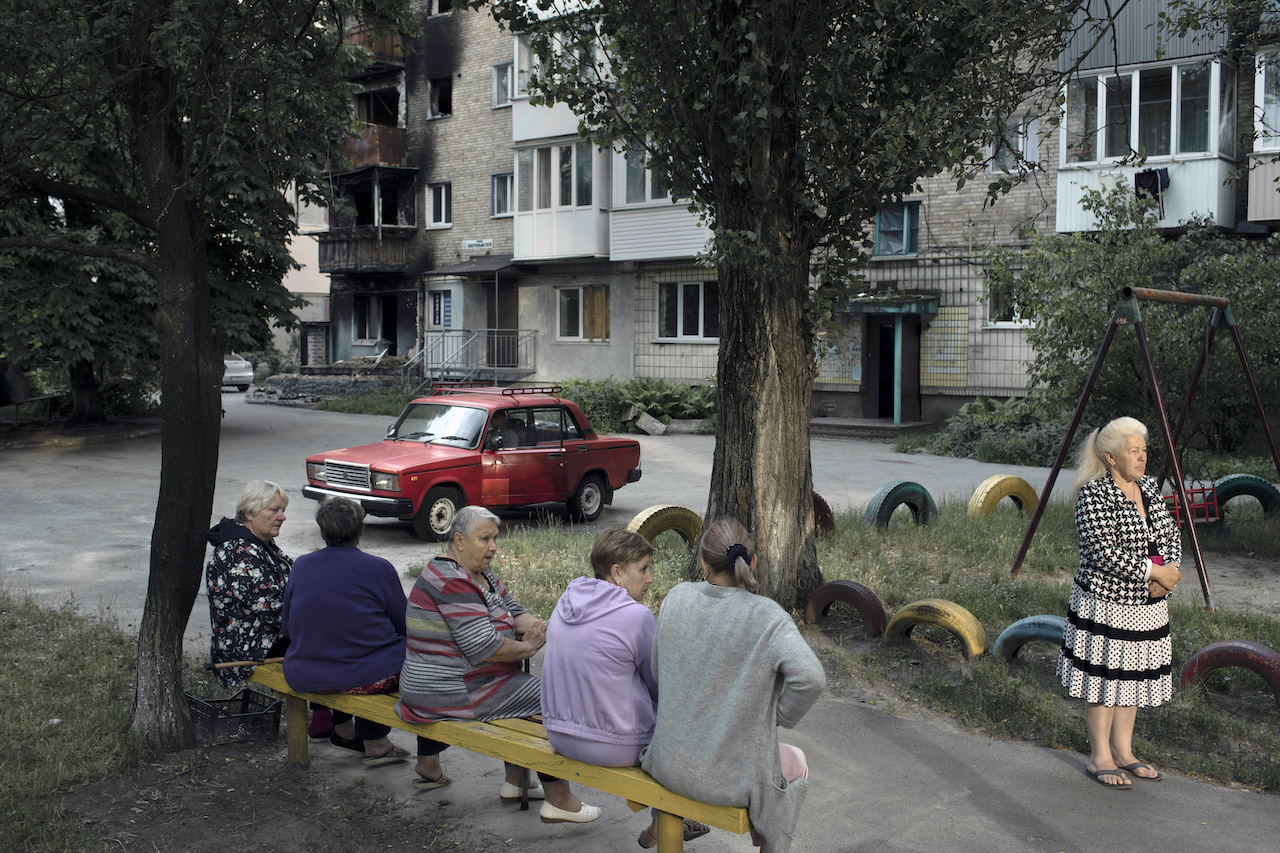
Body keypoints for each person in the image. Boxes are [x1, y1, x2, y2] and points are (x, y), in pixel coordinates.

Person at [398, 505, 600, 823]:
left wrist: (547, 627)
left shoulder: (478, 573)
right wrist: (528, 646)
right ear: (460, 540)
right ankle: (559, 799)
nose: (493, 546)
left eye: (495, 538)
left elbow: (514, 610)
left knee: (528, 690)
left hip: (465, 681)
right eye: (485, 538)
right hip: (451, 689)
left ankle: (517, 782)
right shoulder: (452, 582)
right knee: (554, 695)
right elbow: (485, 648)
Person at [642, 518, 826, 853]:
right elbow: (811, 679)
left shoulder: (677, 598)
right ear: (752, 561)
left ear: (702, 563)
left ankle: (661, 826)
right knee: (795, 762)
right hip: (727, 781)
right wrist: (776, 716)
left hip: (666, 763)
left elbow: (657, 670)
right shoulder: (768, 617)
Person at [541, 529, 709, 848]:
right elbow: (661, 687)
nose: (650, 578)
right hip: (611, 744)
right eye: (643, 568)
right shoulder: (636, 616)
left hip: (559, 735)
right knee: (680, 723)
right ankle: (666, 823)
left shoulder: (568, 599)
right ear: (617, 572)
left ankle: (668, 821)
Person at [1057, 416, 1183, 789]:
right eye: (1134, 451)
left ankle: (1124, 753)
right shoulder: (1093, 494)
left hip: (1147, 606)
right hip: (1106, 603)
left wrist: (1168, 574)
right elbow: (1102, 552)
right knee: (1104, 679)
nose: (1143, 458)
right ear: (1111, 457)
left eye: (1144, 450)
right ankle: (1099, 757)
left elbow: (1170, 534)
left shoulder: (1147, 488)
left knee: (1132, 680)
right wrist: (1152, 573)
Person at [281, 497, 440, 776]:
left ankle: (355, 734)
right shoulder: (378, 568)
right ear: (361, 530)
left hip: (307, 674)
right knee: (414, 657)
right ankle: (391, 748)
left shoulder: (302, 565)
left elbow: (287, 627)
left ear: (322, 532)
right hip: (365, 676)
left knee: (354, 648)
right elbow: (404, 625)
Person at [205, 480, 293, 688]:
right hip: (249, 651)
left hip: (267, 639)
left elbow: (296, 577)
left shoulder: (260, 543)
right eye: (274, 510)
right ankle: (326, 716)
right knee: (332, 646)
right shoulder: (239, 553)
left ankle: (329, 716)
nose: (282, 517)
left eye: (282, 510)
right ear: (249, 514)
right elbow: (277, 613)